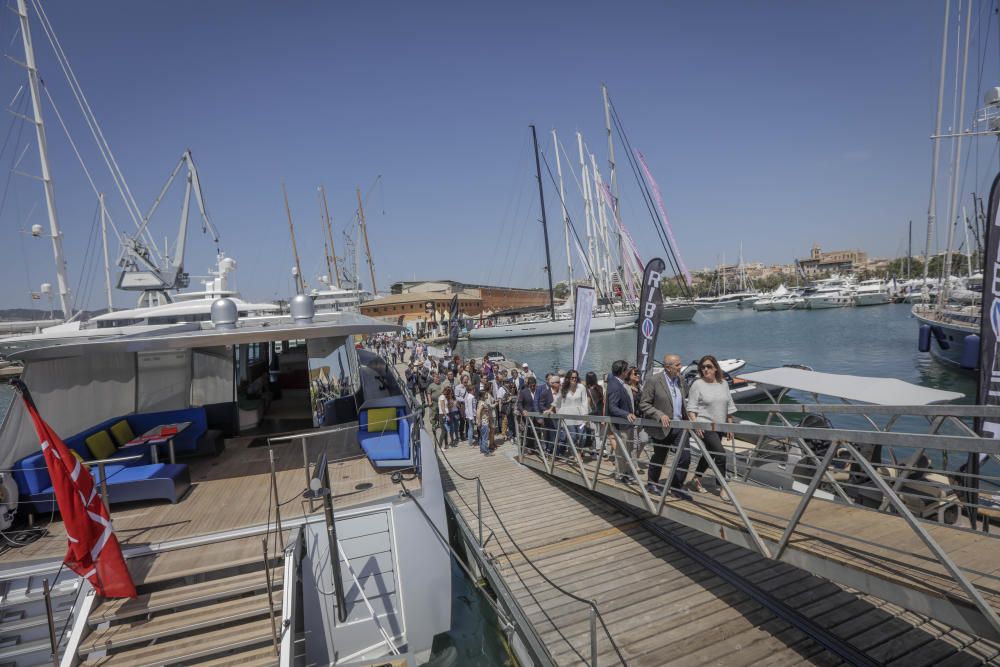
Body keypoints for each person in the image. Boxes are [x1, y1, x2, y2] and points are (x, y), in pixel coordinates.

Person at [686, 354, 737, 502]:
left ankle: (696, 478)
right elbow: (691, 408)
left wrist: (730, 426)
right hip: (704, 425)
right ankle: (722, 487)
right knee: (720, 454)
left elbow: (729, 406)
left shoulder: (723, 383)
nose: (705, 369)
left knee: (710, 453)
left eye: (709, 366)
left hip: (720, 426)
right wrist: (696, 424)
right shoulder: (698, 384)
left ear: (715, 368)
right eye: (703, 367)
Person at [639, 354, 690, 495]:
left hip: (680, 425)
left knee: (685, 457)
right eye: (677, 365)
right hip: (662, 427)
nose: (680, 367)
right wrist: (659, 414)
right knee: (659, 457)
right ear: (667, 367)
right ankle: (652, 484)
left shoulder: (680, 379)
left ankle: (676, 486)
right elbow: (644, 404)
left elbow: (685, 398)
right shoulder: (654, 381)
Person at [606, 360, 637, 483]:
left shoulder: (618, 383)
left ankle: (625, 473)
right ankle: (620, 476)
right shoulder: (615, 385)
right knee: (621, 451)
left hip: (625, 424)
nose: (628, 371)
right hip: (621, 424)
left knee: (626, 450)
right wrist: (626, 414)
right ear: (623, 371)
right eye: (627, 369)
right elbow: (612, 407)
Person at [552, 369, 588, 457]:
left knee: (583, 436)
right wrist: (550, 409)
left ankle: (578, 450)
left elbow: (585, 401)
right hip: (568, 416)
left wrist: (586, 415)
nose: (574, 379)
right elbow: (557, 400)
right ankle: (576, 454)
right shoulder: (563, 388)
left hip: (580, 415)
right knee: (573, 435)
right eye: (572, 378)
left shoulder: (581, 387)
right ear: (568, 378)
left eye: (575, 377)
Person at [476, 388, 494, 455]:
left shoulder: (480, 402)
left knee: (482, 437)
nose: (487, 395)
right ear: (482, 396)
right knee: (485, 438)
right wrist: (479, 421)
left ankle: (482, 449)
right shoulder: (482, 403)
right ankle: (486, 452)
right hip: (484, 422)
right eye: (486, 395)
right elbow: (478, 412)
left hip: (483, 422)